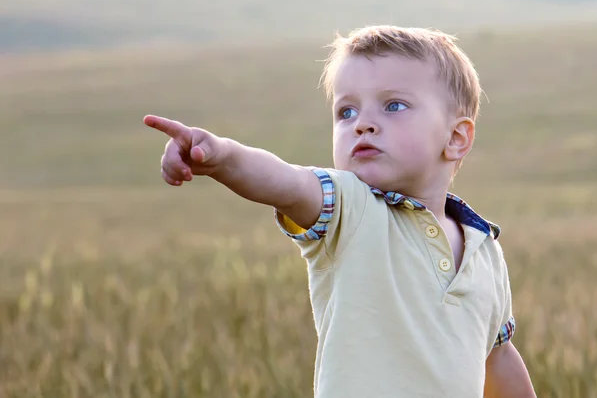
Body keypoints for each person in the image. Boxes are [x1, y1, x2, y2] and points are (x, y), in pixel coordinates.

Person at [143, 25, 537, 398]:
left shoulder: (484, 250)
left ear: (455, 138)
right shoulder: (350, 209)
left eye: (393, 106)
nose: (363, 124)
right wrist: (220, 156)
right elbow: (285, 181)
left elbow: (497, 357)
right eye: (346, 112)